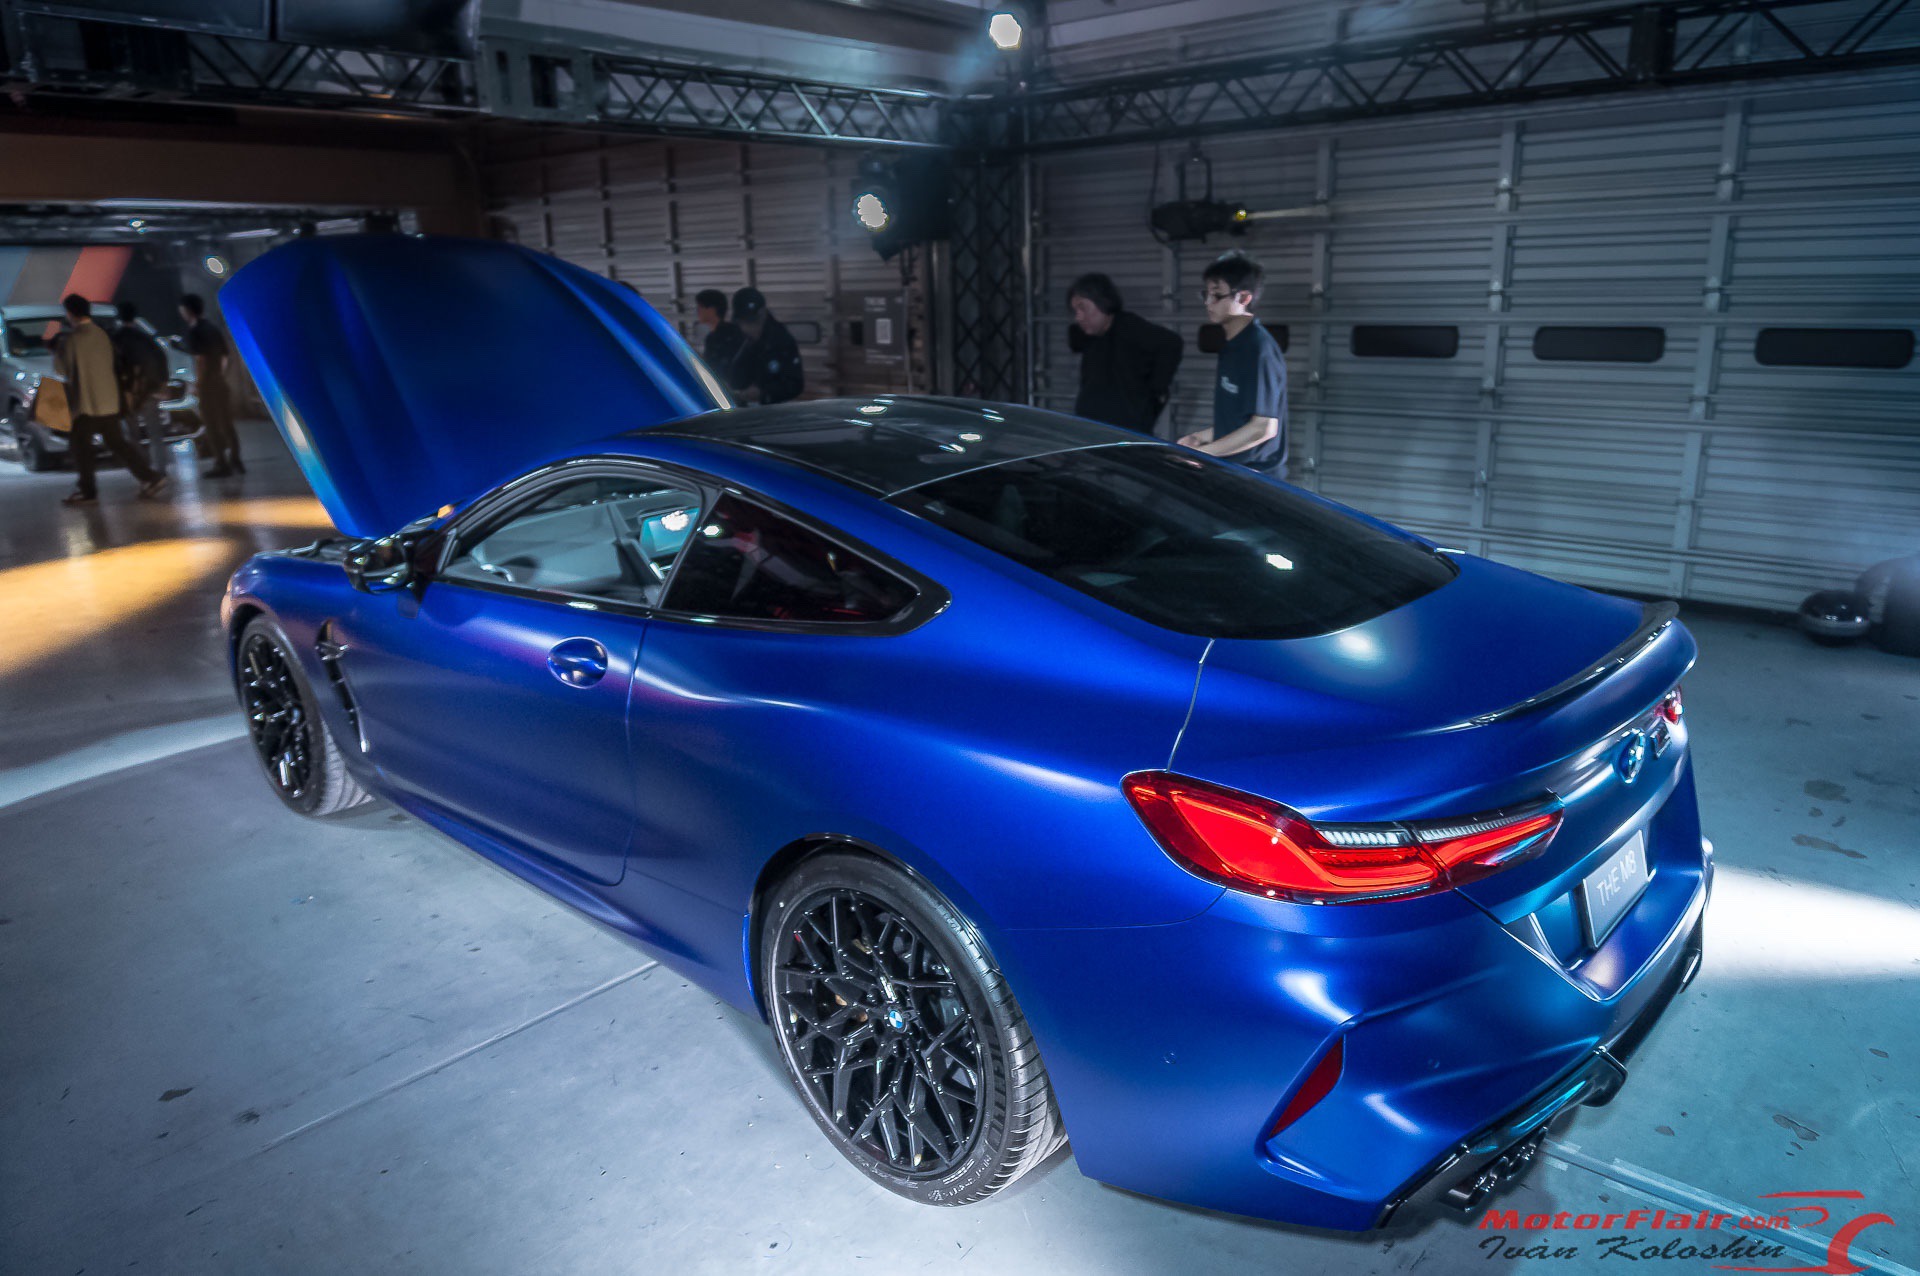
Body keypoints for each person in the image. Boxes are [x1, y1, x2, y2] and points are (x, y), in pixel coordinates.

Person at [1177, 252, 1287, 475]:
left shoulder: (1258, 349)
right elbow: (1238, 422)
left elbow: (1263, 427)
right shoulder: (1232, 345)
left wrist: (1203, 453)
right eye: (1206, 294)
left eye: (1216, 295)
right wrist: (1199, 438)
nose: (1208, 302)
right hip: (1234, 470)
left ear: (1244, 298)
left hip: (1256, 477)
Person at [54, 294, 166, 505]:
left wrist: (57, 349)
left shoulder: (73, 339)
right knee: (117, 442)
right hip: (109, 401)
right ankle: (150, 477)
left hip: (87, 404)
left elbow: (61, 369)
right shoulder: (103, 335)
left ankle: (87, 491)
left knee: (80, 445)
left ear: (70, 314)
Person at [1066, 273, 1183, 434]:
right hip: (1091, 428)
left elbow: (1171, 343)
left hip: (1125, 431)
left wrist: (1157, 390)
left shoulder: (1128, 327)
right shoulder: (1091, 338)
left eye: (1083, 308)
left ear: (1102, 302)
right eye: (1075, 311)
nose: (1078, 317)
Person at [181, 292, 243, 477]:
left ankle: (221, 464)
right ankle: (236, 460)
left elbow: (200, 360)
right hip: (220, 382)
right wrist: (220, 375)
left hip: (207, 385)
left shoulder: (194, 331)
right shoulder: (213, 329)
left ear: (187, 310)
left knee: (211, 424)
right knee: (226, 422)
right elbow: (225, 357)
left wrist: (198, 383)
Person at [112, 301, 172, 475]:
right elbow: (161, 359)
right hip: (149, 391)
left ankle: (144, 470)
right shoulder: (146, 338)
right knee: (155, 433)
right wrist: (162, 384)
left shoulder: (116, 339)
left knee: (132, 435)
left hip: (128, 393)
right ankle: (160, 468)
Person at [728, 286, 804, 406]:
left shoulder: (781, 340)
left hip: (773, 410)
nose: (748, 328)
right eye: (743, 322)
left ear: (763, 313)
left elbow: (795, 385)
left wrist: (764, 393)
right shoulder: (738, 338)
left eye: (752, 321)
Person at [695, 288, 746, 382]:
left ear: (712, 310)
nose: (697, 311)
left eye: (701, 307)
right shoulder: (711, 338)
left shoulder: (731, 334)